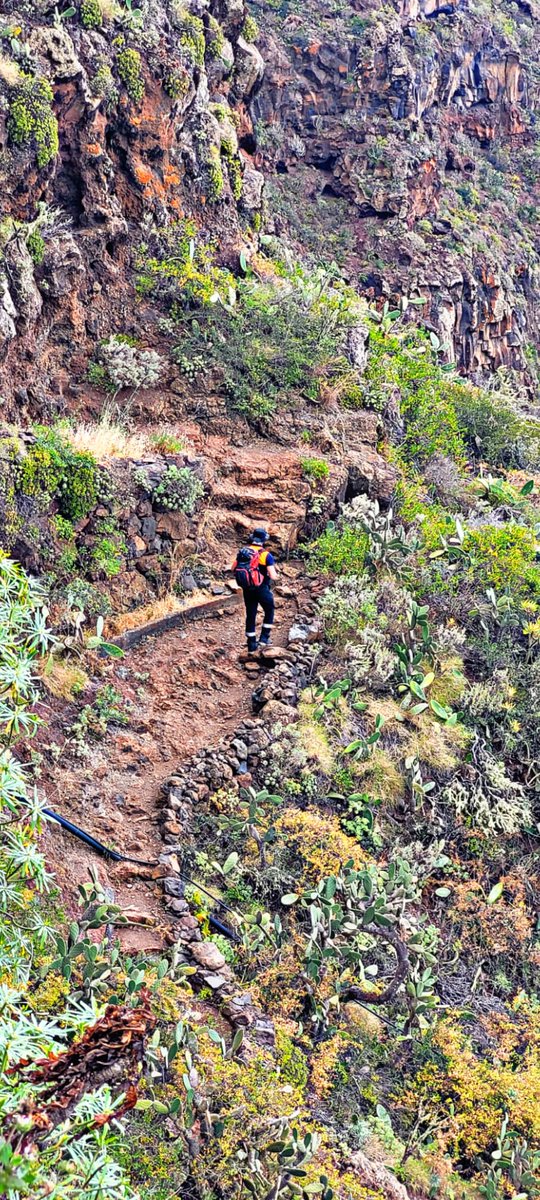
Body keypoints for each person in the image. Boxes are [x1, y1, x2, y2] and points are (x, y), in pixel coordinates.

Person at [232, 527, 278, 653]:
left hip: (247, 588)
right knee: (269, 609)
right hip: (261, 588)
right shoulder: (265, 555)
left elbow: (233, 568)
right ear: (263, 540)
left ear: (253, 539)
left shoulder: (243, 552)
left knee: (251, 614)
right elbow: (273, 576)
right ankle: (264, 638)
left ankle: (251, 644)